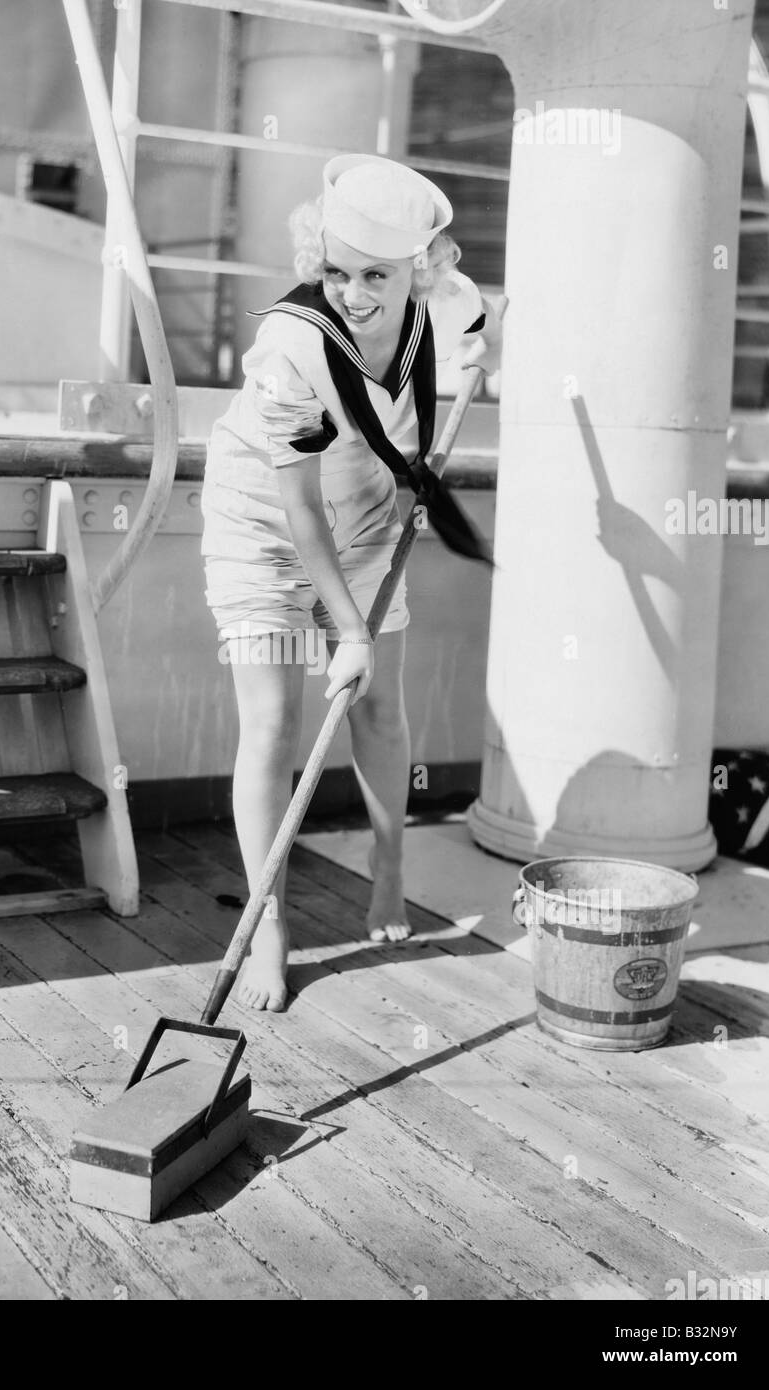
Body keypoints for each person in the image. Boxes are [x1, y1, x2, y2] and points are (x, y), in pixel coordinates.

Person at [200, 153, 503, 1011]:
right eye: (336, 271)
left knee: (377, 705)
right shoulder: (290, 349)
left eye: (377, 274)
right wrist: (350, 630)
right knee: (271, 726)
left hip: (368, 504)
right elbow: (295, 507)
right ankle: (269, 931)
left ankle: (389, 867)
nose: (354, 292)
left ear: (421, 266)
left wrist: (478, 363)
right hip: (261, 515)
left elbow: (480, 328)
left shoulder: (447, 300)